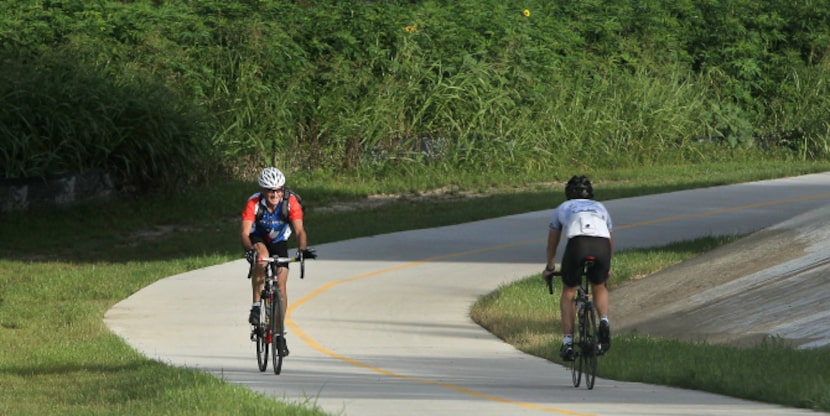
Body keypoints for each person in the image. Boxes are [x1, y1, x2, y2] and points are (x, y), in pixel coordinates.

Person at [240, 167, 316, 356]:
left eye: (278, 190)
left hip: (280, 241)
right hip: (258, 238)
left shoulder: (290, 202)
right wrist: (249, 251)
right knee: (261, 258)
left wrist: (302, 250)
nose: (274, 194)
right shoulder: (254, 203)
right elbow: (244, 232)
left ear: (282, 189)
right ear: (263, 190)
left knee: (281, 287)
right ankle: (256, 307)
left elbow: (299, 230)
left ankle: (279, 333)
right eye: (269, 190)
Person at [542, 175, 613, 361]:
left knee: (569, 290)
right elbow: (609, 238)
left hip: (578, 245)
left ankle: (567, 343)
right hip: (602, 246)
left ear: (568, 194)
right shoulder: (601, 208)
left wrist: (550, 266)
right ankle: (604, 320)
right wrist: (607, 267)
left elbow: (552, 242)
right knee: (599, 285)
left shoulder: (563, 208)